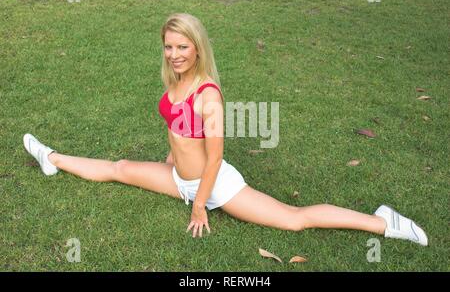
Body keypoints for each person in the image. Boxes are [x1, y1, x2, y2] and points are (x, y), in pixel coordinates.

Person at [23, 13, 428, 246]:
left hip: (215, 185)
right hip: (180, 178)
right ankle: (51, 157)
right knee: (119, 167)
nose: (175, 54)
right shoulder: (175, 81)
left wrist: (200, 204)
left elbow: (214, 157)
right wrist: (171, 160)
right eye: (169, 46)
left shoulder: (207, 94)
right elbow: (177, 128)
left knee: (293, 219)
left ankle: (384, 222)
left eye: (182, 47)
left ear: (197, 48)